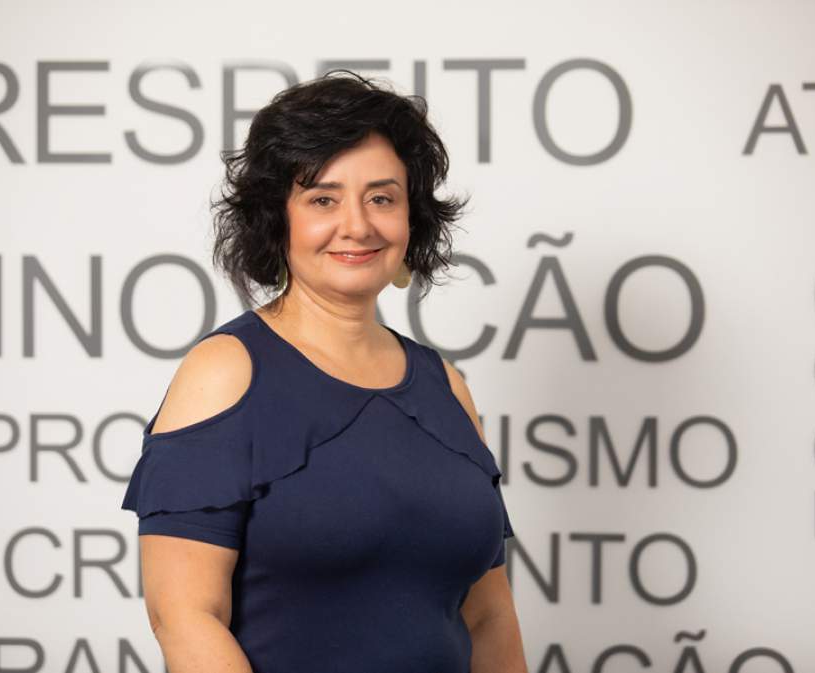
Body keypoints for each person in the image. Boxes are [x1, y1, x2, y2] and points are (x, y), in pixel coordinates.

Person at [121, 69, 527, 673]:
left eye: (382, 198)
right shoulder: (224, 372)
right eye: (323, 199)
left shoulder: (446, 385)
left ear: (411, 218)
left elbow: (489, 616)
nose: (358, 225)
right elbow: (183, 616)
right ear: (277, 219)